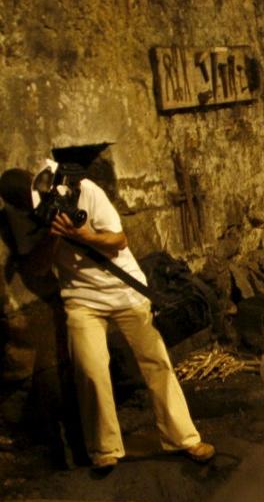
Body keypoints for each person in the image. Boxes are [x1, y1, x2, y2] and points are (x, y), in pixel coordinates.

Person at [0, 162, 213, 471]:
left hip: (123, 289)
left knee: (156, 361)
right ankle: (104, 450)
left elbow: (118, 242)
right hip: (81, 299)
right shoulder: (23, 222)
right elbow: (37, 268)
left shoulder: (84, 191)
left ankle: (184, 438)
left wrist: (83, 235)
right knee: (90, 369)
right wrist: (53, 235)